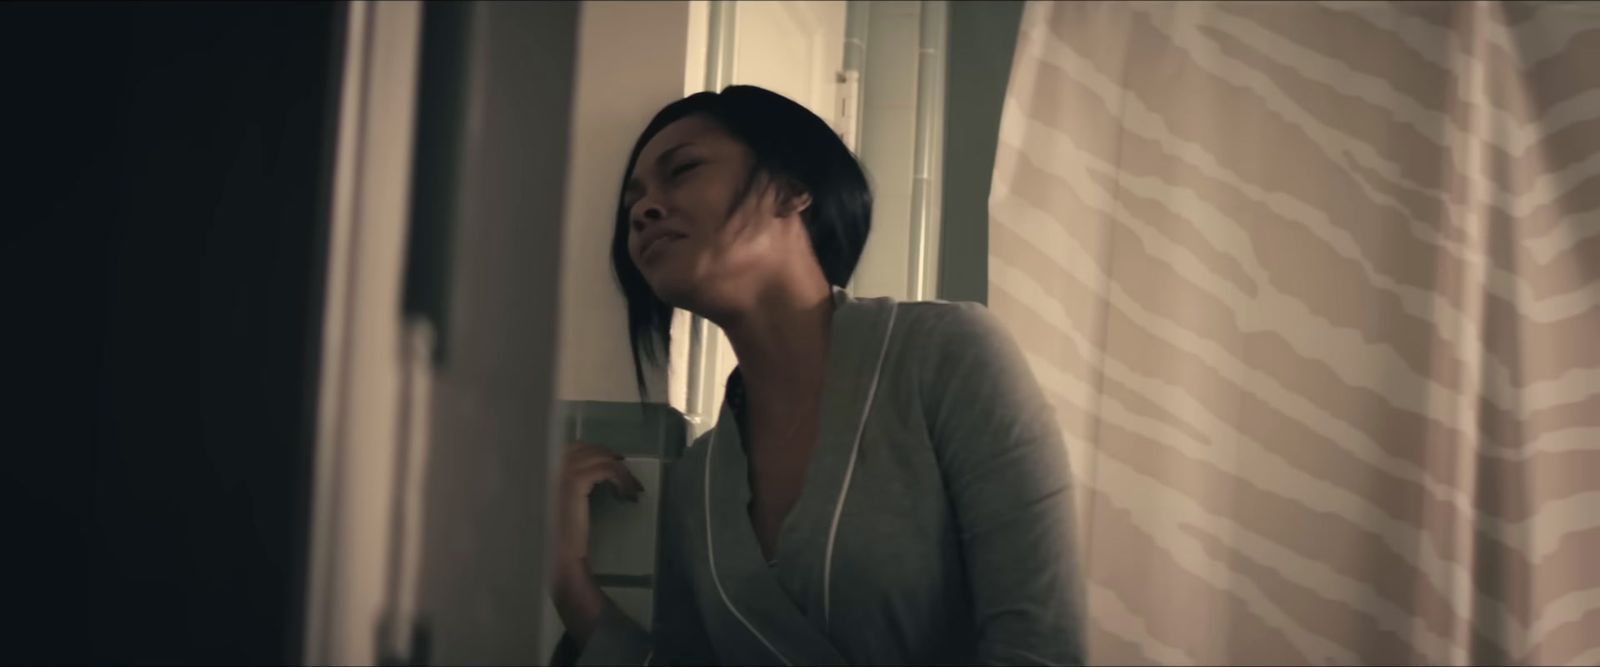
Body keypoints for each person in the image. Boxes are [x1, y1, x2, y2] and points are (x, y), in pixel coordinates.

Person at [549, 85, 1084, 665]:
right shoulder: (698, 483)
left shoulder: (947, 356)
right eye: (635, 200)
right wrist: (570, 583)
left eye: (682, 171)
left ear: (793, 188)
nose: (643, 209)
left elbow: (1040, 648)